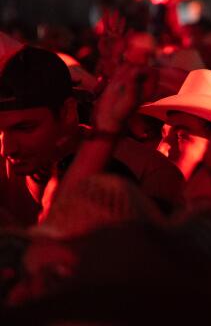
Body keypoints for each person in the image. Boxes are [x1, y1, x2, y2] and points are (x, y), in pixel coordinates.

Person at [0, 47, 183, 226]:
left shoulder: (148, 172)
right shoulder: (5, 168)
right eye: (0, 132)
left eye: (24, 128)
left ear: (67, 112)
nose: (7, 149)